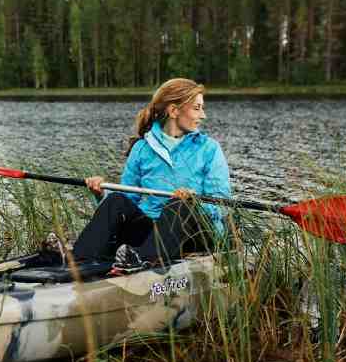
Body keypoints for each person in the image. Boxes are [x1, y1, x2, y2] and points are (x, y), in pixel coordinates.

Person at [68, 78, 231, 274]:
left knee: (179, 206)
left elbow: (221, 205)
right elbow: (129, 199)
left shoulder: (209, 149)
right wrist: (101, 192)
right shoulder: (142, 148)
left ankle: (143, 262)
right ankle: (78, 260)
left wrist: (193, 201)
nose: (202, 115)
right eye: (197, 108)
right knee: (116, 201)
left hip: (196, 235)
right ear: (174, 111)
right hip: (151, 232)